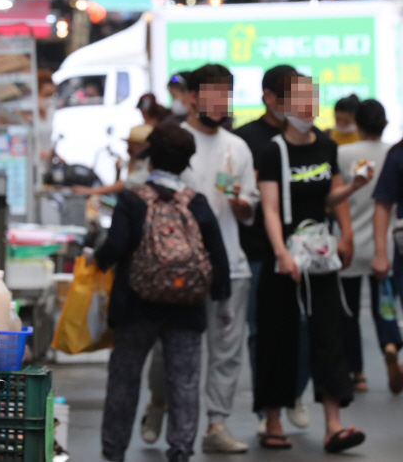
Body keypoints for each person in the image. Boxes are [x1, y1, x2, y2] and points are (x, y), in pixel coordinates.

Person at [92, 122, 231, 462]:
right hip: (187, 307)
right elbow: (217, 255)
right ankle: (181, 450)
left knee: (125, 379)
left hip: (136, 306)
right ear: (186, 163)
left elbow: (115, 245)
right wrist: (222, 301)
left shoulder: (132, 201)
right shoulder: (196, 203)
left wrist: (96, 260)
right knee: (184, 383)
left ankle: (114, 451)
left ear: (150, 161)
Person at [140, 64, 256, 454]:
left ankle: (216, 424)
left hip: (230, 265)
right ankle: (159, 400)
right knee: (166, 348)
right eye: (212, 94)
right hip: (173, 267)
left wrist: (240, 201)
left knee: (227, 348)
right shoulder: (172, 139)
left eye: (227, 95)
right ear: (191, 97)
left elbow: (249, 209)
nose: (220, 103)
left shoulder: (237, 147)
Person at [255, 73, 370, 452]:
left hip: (320, 254)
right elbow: (269, 207)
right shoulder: (273, 151)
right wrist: (281, 253)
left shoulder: (325, 144)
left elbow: (330, 195)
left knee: (328, 333)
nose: (307, 107)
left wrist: (353, 189)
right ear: (283, 106)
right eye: (299, 100)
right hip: (284, 256)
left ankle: (333, 424)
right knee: (277, 336)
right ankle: (273, 420)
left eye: (312, 99)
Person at [236, 65, 317, 434]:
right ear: (269, 97)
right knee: (261, 331)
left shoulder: (315, 139)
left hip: (306, 250)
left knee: (303, 325)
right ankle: (266, 406)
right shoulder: (246, 139)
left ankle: (294, 392)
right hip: (257, 251)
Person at [337, 99, 403, 394]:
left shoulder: (342, 153)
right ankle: (389, 343)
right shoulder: (391, 152)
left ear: (357, 124)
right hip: (385, 244)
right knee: (384, 304)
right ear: (385, 123)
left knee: (349, 312)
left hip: (349, 240)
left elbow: (336, 195)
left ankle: (358, 373)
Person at [371, 133, 403, 393]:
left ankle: (391, 345)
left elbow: (383, 205)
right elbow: (382, 205)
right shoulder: (398, 154)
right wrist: (381, 252)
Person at [72, 124, 152, 196]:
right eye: (129, 145)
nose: (128, 149)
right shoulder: (135, 161)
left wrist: (89, 191)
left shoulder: (148, 169)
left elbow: (124, 184)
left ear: (144, 147)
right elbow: (119, 185)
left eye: (133, 145)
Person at [37, 70, 56, 161]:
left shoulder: (50, 111)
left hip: (46, 164)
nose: (48, 99)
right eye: (46, 95)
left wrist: (54, 154)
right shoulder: (27, 115)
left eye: (51, 95)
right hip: (31, 165)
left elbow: (49, 140)